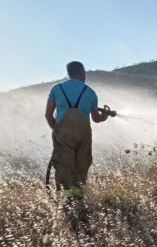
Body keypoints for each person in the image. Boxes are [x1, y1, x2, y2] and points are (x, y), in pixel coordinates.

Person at [45, 61, 111, 198]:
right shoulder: (91, 92)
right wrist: (104, 116)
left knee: (63, 166)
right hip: (83, 134)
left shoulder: (56, 89)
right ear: (81, 72)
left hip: (63, 134)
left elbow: (48, 114)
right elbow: (96, 118)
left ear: (69, 73)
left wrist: (57, 130)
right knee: (81, 167)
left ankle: (64, 201)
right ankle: (78, 200)